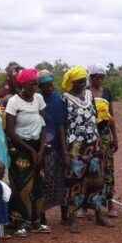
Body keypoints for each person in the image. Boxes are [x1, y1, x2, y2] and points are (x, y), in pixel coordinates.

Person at [61, 66, 113, 232]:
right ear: (71, 82)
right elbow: (62, 125)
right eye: (79, 81)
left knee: (97, 180)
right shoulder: (65, 98)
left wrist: (99, 140)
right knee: (75, 181)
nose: (82, 84)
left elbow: (95, 117)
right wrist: (65, 152)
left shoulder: (90, 95)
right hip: (75, 146)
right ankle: (73, 218)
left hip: (93, 142)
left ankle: (98, 214)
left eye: (84, 80)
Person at [5, 68, 49, 234]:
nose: (35, 87)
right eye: (32, 84)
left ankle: (37, 221)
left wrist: (41, 149)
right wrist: (31, 150)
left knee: (39, 184)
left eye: (36, 83)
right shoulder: (14, 102)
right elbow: (10, 131)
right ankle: (22, 222)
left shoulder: (38, 99)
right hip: (21, 148)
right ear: (23, 84)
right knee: (23, 186)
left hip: (39, 147)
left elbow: (44, 125)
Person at [89, 65, 119, 217]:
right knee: (91, 168)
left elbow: (111, 115)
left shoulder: (106, 92)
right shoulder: (86, 93)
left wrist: (115, 137)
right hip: (90, 135)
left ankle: (110, 203)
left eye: (102, 77)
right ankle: (87, 205)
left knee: (108, 168)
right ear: (91, 77)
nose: (99, 79)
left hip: (105, 134)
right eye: (96, 77)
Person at [39, 70, 68, 224]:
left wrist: (64, 151)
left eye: (50, 84)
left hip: (56, 145)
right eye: (44, 85)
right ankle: (42, 215)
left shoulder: (57, 100)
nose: (48, 87)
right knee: (45, 181)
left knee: (61, 180)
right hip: (42, 146)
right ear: (40, 86)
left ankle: (64, 215)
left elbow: (61, 126)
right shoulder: (37, 100)